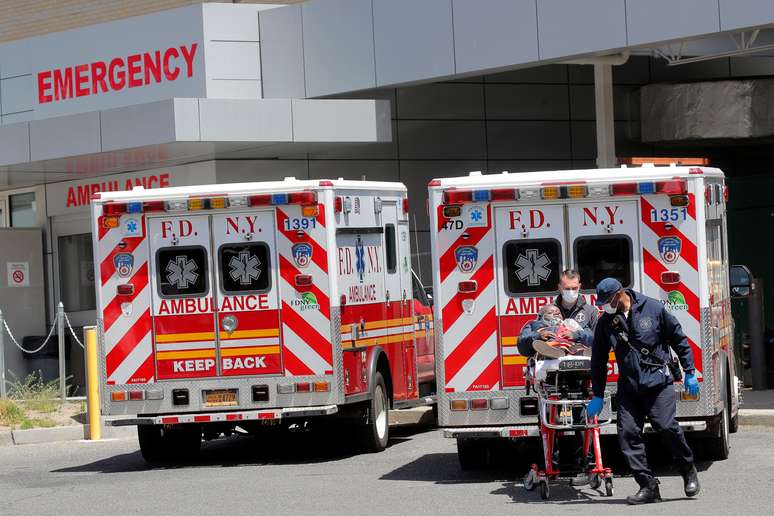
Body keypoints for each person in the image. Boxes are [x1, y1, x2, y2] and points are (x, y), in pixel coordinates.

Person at [587, 278, 701, 505]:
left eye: (608, 301)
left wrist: (690, 371)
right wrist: (598, 394)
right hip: (629, 387)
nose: (605, 306)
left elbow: (678, 338)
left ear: (620, 294)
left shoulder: (653, 308)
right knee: (627, 434)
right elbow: (598, 359)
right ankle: (648, 486)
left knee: (667, 427)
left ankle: (687, 469)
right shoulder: (606, 322)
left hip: (658, 383)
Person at [555, 269, 598, 336]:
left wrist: (576, 335)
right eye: (567, 288)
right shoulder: (549, 310)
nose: (571, 292)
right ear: (559, 287)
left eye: (574, 288)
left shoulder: (591, 312)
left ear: (579, 287)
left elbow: (597, 340)